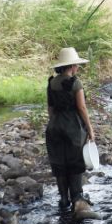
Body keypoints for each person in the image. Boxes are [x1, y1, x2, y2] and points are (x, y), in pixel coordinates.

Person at [45, 47, 95, 213]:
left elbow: (50, 108)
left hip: (55, 126)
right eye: (76, 65)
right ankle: (77, 198)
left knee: (59, 161)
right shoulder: (76, 83)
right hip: (73, 126)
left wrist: (54, 123)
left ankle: (63, 198)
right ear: (72, 66)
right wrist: (90, 128)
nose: (77, 68)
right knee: (75, 161)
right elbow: (81, 107)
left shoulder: (51, 82)